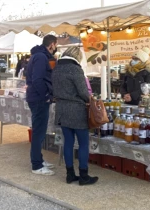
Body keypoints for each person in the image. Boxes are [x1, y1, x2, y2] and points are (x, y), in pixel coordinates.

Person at [52, 46, 98, 185]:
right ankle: (84, 176)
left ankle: (70, 174)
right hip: (76, 110)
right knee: (83, 143)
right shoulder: (75, 69)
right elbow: (84, 93)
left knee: (68, 142)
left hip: (62, 109)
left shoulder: (56, 69)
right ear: (77, 57)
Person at [25, 34, 58, 175]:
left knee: (40, 130)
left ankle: (39, 159)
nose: (56, 48)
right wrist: (45, 95)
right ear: (51, 44)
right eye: (56, 45)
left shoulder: (39, 56)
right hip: (39, 99)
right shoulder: (41, 57)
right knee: (38, 131)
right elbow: (37, 79)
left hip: (38, 97)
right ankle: (37, 165)